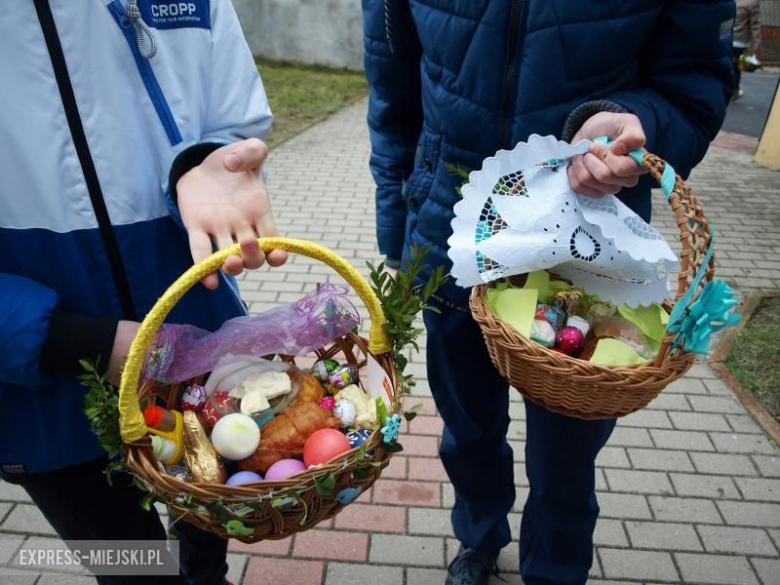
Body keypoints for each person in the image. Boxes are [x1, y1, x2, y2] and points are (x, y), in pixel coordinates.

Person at [362, 2, 735, 584]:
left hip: (588, 243)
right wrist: (396, 233)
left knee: (566, 455)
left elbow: (696, 85)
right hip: (451, 233)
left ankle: (555, 571)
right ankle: (478, 539)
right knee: (467, 428)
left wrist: (633, 120)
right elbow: (392, 94)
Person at [0, 1, 284, 583]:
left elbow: (229, 117)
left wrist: (205, 162)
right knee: (135, 568)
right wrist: (76, 341)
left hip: (193, 353)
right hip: (44, 393)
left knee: (206, 539)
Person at [732, 0, 762, 100]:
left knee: (727, 66)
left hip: (726, 39)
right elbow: (755, 25)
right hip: (741, 42)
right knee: (737, 68)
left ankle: (724, 90)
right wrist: (757, 44)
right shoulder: (752, 2)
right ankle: (734, 92)